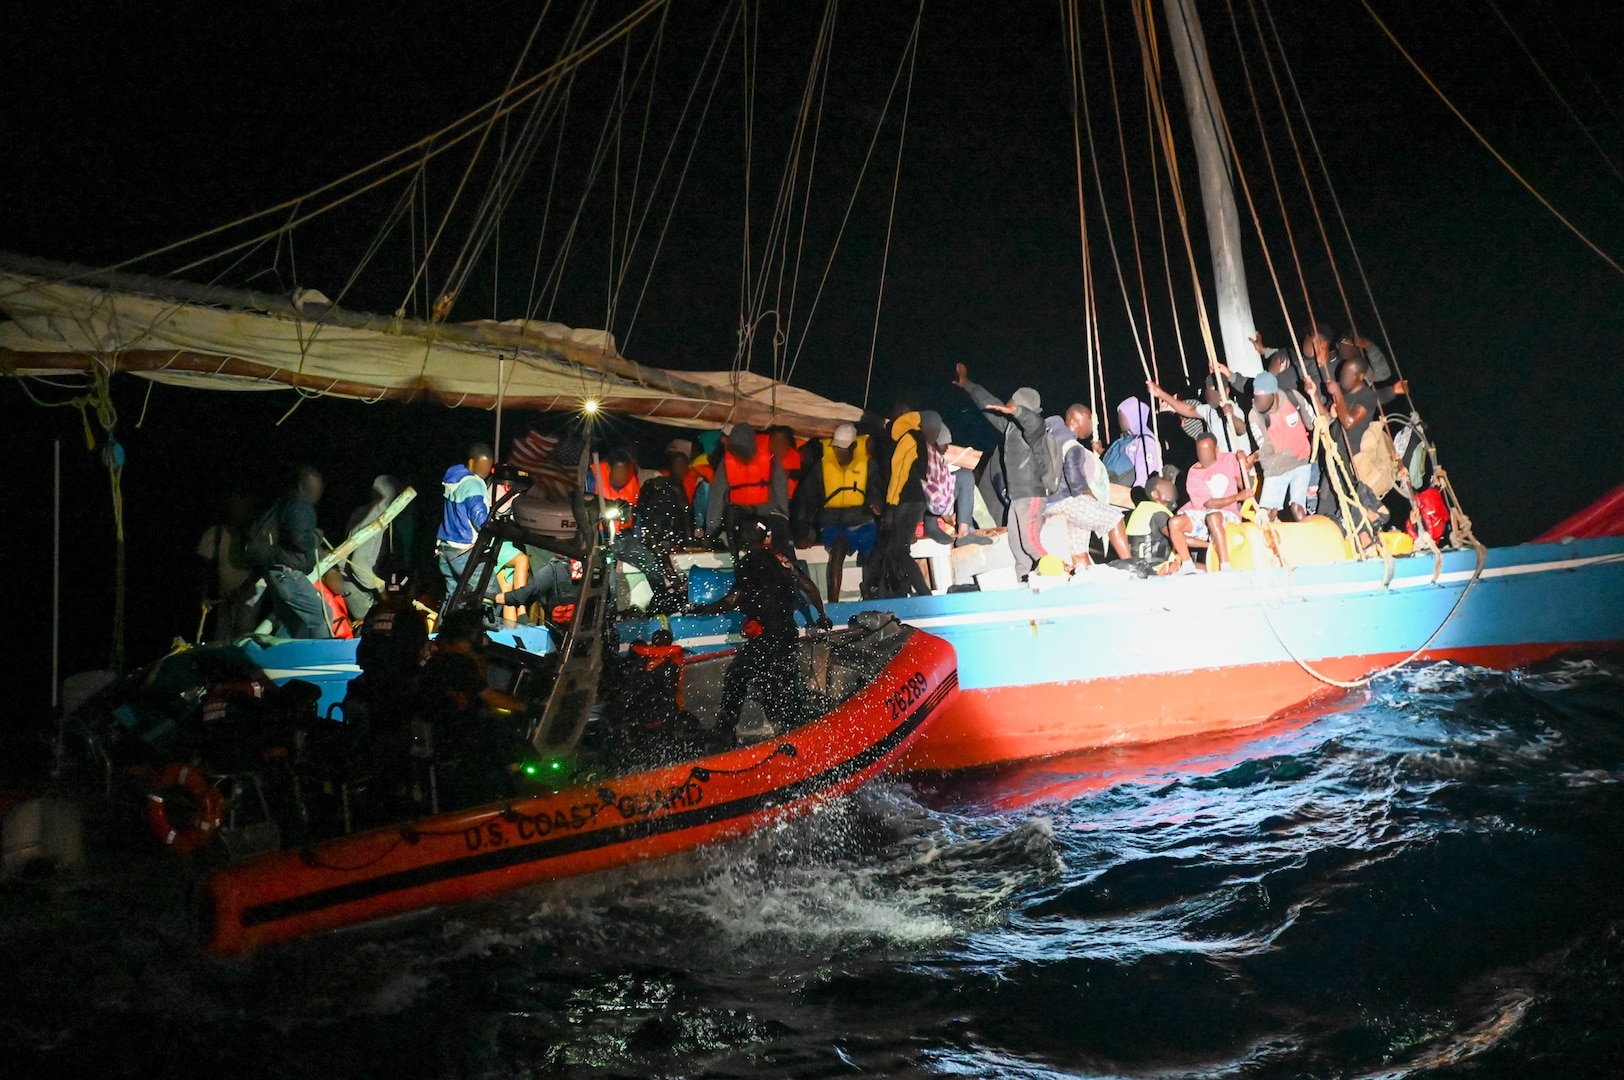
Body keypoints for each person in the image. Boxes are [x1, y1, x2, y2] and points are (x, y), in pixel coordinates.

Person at [696, 518, 830, 738]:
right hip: (786, 632)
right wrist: (821, 616)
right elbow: (808, 586)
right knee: (781, 686)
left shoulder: (747, 563)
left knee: (737, 675)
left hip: (767, 635)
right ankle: (797, 735)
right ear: (766, 537)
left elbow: (732, 600)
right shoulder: (780, 558)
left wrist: (703, 609)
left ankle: (725, 732)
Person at [954, 363, 1051, 579]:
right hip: (1018, 498)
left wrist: (1017, 410)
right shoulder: (1010, 428)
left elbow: (1033, 421)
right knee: (1017, 546)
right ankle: (1023, 584)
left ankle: (1064, 573)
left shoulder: (1036, 428)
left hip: (1031, 495)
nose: (1007, 401)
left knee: (1031, 543)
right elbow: (989, 405)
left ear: (1021, 404)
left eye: (1013, 400)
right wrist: (968, 384)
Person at [803, 422, 880, 602]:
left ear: (854, 446)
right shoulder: (820, 468)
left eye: (843, 448)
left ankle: (872, 596)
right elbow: (805, 500)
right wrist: (803, 532)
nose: (838, 452)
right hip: (834, 524)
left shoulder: (870, 466)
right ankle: (834, 602)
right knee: (838, 550)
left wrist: (876, 502)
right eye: (836, 448)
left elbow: (877, 489)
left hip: (862, 522)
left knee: (873, 555)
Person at [251, 466, 331, 639]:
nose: (317, 492)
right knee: (322, 615)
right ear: (302, 486)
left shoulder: (286, 503)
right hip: (288, 574)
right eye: (314, 487)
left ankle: (285, 659)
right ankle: (320, 657)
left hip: (276, 571)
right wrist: (317, 536)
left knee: (293, 621)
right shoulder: (301, 505)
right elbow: (300, 539)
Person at [1046, 405, 1131, 566]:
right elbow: (1073, 473)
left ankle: (1085, 577)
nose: (1092, 426)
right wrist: (1088, 494)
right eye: (1090, 421)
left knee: (1078, 551)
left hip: (1048, 503)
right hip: (1066, 500)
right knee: (1114, 518)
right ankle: (1131, 564)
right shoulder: (1071, 444)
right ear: (1075, 421)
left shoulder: (1052, 438)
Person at [874, 404, 933, 598]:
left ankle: (922, 592)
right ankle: (902, 592)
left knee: (897, 549)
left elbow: (899, 475)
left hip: (906, 499)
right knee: (898, 548)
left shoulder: (907, 438)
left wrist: (890, 505)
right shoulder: (918, 436)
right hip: (916, 499)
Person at [705, 423, 790, 553]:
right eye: (737, 451)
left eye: (744, 451)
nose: (741, 455)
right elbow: (717, 495)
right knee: (731, 520)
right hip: (739, 516)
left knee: (780, 538)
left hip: (768, 512)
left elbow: (781, 491)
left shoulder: (770, 458)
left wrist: (784, 517)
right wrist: (711, 529)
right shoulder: (726, 462)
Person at [1246, 370, 1315, 521]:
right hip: (1275, 466)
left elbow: (1313, 423)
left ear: (1274, 394)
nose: (1259, 403)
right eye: (1257, 398)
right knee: (1268, 514)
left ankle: (1307, 540)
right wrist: (1255, 456)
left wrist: (1328, 414)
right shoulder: (1255, 415)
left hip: (1300, 460)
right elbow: (1267, 446)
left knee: (1298, 508)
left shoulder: (1292, 397)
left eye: (1263, 399)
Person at [338, 474, 406, 621]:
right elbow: (359, 564)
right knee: (369, 622)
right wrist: (381, 590)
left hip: (348, 581)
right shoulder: (376, 519)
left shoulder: (362, 511)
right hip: (350, 581)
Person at [196, 493, 259, 643]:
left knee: (243, 636)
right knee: (222, 638)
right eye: (236, 508)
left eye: (243, 508)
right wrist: (204, 596)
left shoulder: (254, 535)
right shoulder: (215, 533)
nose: (239, 512)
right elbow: (203, 568)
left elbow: (261, 568)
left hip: (251, 594)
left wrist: (241, 590)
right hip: (224, 596)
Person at [1180, 434, 1246, 569]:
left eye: (1207, 452)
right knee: (1174, 523)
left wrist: (1245, 465)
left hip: (1228, 514)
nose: (1203, 456)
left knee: (1213, 517)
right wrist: (1237, 497)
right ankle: (1188, 564)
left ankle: (1225, 565)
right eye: (1200, 452)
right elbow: (1208, 504)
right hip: (1204, 513)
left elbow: (1244, 487)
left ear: (1216, 450)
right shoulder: (1194, 473)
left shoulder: (1229, 459)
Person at [437, 442, 494, 597]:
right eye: (484, 466)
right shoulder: (473, 485)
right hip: (464, 549)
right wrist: (496, 527)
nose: (487, 470)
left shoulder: (454, 479)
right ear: (471, 463)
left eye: (489, 466)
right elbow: (480, 519)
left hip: (445, 547)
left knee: (453, 597)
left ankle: (446, 622)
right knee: (491, 595)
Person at [1146, 374, 1253, 455]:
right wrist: (1161, 394)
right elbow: (1188, 410)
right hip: (1223, 467)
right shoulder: (1209, 409)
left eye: (1215, 392)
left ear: (1227, 391)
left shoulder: (1233, 408)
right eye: (1209, 392)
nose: (1212, 396)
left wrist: (1231, 416)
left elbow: (1241, 429)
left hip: (1240, 466)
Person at [1123, 476, 1196, 575]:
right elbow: (1183, 540)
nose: (1171, 487)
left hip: (1139, 565)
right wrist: (1211, 545)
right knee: (1205, 569)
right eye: (1166, 486)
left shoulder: (1145, 509)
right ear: (1155, 494)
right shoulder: (1158, 514)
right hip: (1152, 567)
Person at [1102, 397, 1163, 488]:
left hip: (1122, 491)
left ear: (1133, 416)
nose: (1119, 420)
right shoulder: (1123, 440)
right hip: (1108, 486)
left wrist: (1137, 494)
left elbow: (1144, 473)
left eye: (1123, 417)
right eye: (1119, 416)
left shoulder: (1145, 442)